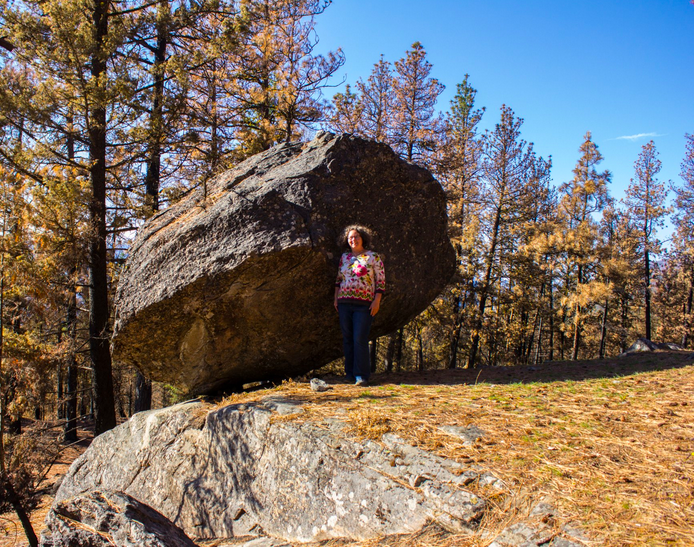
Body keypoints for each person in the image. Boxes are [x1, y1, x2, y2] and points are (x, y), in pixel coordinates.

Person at [334, 225, 385, 386]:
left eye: (356, 237)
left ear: (362, 238)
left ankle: (361, 375)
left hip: (364, 304)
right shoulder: (344, 257)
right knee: (348, 339)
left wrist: (377, 300)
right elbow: (338, 279)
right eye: (350, 238)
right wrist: (336, 299)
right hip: (344, 302)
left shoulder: (373, 257)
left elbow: (381, 280)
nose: (353, 240)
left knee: (359, 338)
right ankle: (349, 374)